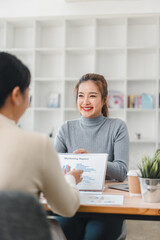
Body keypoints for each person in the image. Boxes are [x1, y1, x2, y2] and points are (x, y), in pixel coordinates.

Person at [0, 52, 83, 240]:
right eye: (28, 91)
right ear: (16, 95)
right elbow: (67, 208)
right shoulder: (36, 144)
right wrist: (69, 178)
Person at [54, 73, 129, 240]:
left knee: (95, 236)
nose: (85, 101)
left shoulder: (117, 127)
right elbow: (53, 168)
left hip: (105, 205)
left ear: (104, 100)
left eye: (92, 96)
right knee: (63, 231)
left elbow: (122, 171)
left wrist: (93, 161)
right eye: (81, 96)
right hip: (73, 200)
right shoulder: (66, 128)